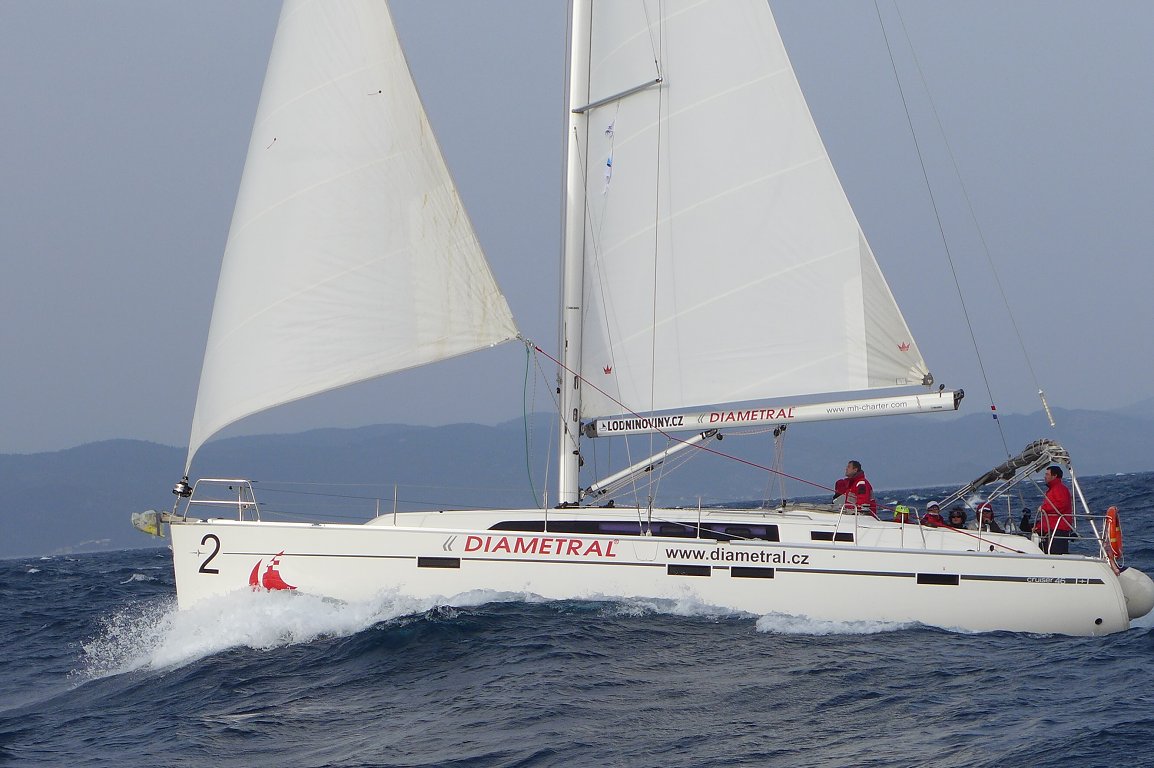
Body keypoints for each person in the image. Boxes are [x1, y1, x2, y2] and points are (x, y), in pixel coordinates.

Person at [1019, 465, 1075, 554]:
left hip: (1057, 530)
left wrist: (1044, 508)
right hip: (1050, 529)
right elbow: (1049, 517)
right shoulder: (1053, 490)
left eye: (1047, 474)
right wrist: (1038, 527)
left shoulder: (1060, 489)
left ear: (1054, 476)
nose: (1045, 477)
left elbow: (1061, 505)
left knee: (1056, 555)